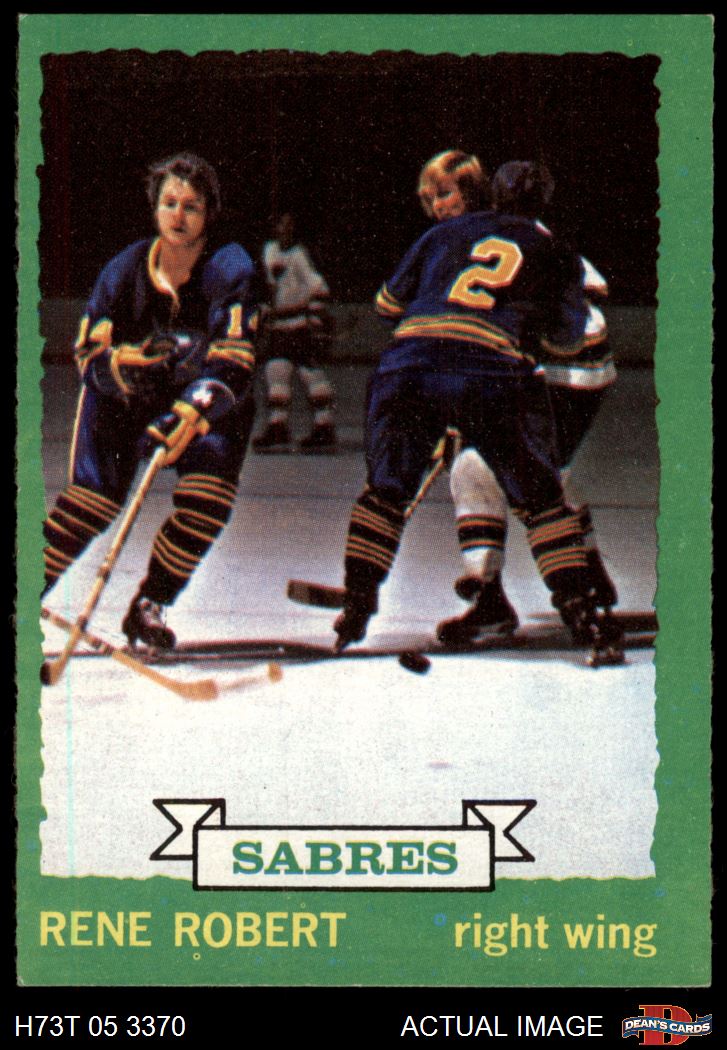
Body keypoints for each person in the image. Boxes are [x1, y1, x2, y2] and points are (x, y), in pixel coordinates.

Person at [331, 150, 623, 662]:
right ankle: (581, 611)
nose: (437, 206)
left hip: (409, 366)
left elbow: (386, 306)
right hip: (496, 372)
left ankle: (356, 606)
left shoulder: (444, 235)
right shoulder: (555, 249)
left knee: (389, 492)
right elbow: (571, 335)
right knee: (539, 497)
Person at [42, 152, 258, 650]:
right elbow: (89, 353)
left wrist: (191, 410)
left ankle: (149, 604)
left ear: (210, 213)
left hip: (204, 401)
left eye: (192, 206)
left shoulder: (232, 268)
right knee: (90, 503)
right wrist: (122, 364)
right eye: (169, 203)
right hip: (125, 400)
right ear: (154, 207)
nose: (178, 216)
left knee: (207, 501)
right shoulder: (123, 269)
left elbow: (235, 357)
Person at [437, 160, 618, 645]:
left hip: (560, 377)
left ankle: (500, 599)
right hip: (584, 373)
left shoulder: (496, 244)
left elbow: (558, 330)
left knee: (477, 470)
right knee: (545, 470)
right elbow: (589, 294)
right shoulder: (542, 240)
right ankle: (587, 573)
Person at [252, 213, 336, 453]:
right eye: (281, 224)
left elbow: (318, 288)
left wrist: (316, 321)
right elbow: (268, 286)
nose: (285, 230)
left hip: (299, 325)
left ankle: (324, 426)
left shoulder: (299, 256)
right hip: (279, 325)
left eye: (289, 226)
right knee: (276, 371)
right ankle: (278, 426)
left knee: (311, 375)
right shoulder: (269, 251)